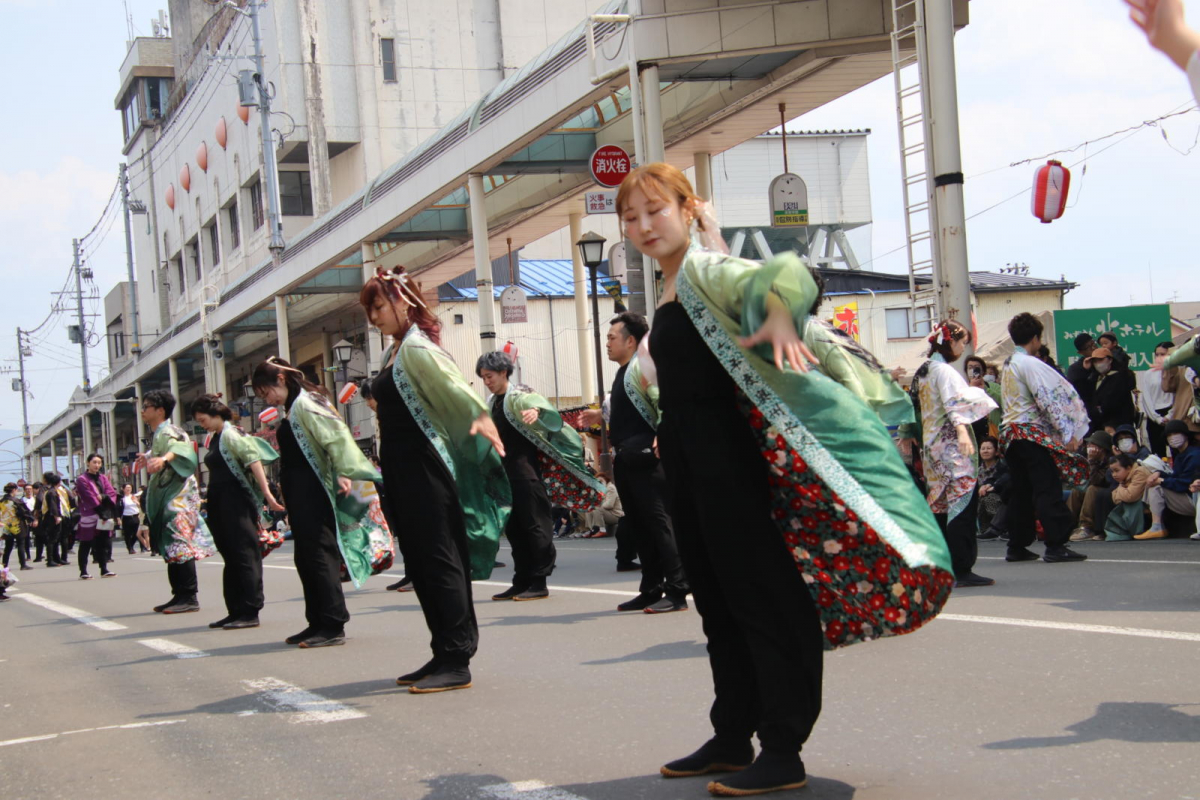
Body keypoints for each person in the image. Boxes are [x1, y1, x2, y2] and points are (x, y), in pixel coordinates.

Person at [618, 163, 952, 796]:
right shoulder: (670, 288)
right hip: (688, 462)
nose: (642, 226)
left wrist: (778, 309)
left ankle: (783, 745)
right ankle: (731, 734)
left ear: (689, 210)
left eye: (655, 210)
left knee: (759, 597)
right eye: (630, 217)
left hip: (731, 462)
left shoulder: (707, 270)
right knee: (716, 602)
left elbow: (792, 272)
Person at [361, 265, 510, 693]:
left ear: (403, 300)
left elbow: (456, 391)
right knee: (423, 564)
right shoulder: (397, 350)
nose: (374, 316)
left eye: (378, 305)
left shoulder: (417, 349)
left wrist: (480, 420)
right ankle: (443, 649)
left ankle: (457, 655)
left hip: (425, 467)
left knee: (440, 557)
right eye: (369, 309)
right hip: (405, 469)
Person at [253, 358, 386, 649]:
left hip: (315, 489)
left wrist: (343, 471)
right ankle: (316, 620)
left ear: (281, 379)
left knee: (319, 553)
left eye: (267, 392)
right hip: (301, 491)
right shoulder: (293, 407)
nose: (268, 399)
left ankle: (332, 622)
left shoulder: (306, 403)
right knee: (306, 556)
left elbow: (336, 436)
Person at [579, 311, 690, 613]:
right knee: (641, 526)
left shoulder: (643, 366)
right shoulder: (624, 372)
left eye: (612, 337)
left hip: (648, 460)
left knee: (659, 523)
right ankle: (651, 588)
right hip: (627, 459)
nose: (607, 343)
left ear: (630, 340)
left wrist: (663, 435)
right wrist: (599, 416)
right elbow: (629, 412)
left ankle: (678, 590)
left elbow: (663, 400)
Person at [477, 350, 603, 602]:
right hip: (505, 474)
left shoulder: (522, 396)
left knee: (535, 526)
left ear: (504, 373)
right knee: (514, 529)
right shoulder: (492, 402)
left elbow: (549, 415)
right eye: (483, 377)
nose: (486, 381)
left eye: (489, 375)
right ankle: (521, 580)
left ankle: (539, 581)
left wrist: (537, 412)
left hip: (527, 473)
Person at [908, 320, 997, 588]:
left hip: (932, 448)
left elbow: (913, 405)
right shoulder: (943, 371)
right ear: (949, 342)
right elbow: (954, 403)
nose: (962, 347)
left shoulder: (923, 371)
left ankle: (940, 566)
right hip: (951, 450)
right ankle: (961, 566)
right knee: (961, 505)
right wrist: (961, 431)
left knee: (940, 507)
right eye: (960, 342)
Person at [999, 312, 1090, 563]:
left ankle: (1017, 544)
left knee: (1021, 490)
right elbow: (1048, 398)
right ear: (1036, 338)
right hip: (1029, 433)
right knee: (1046, 487)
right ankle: (1056, 544)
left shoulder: (1008, 364)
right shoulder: (1030, 363)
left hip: (1011, 435)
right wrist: (1067, 431)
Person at [192, 394, 283, 630]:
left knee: (244, 554)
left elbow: (253, 460)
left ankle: (250, 609)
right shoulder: (215, 438)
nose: (202, 425)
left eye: (203, 420)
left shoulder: (232, 434)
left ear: (215, 415)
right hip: (219, 502)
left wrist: (268, 495)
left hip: (236, 501)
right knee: (230, 555)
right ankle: (234, 610)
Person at [135, 390, 216, 614]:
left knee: (179, 544)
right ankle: (179, 595)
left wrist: (162, 458)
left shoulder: (169, 430)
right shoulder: (162, 431)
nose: (143, 411)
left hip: (178, 497)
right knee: (172, 544)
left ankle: (189, 596)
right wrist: (151, 456)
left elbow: (179, 448)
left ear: (160, 410)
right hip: (171, 496)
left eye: (146, 406)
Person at [1135, 420, 1200, 539]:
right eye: (1169, 435)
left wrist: (1162, 480)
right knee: (1154, 483)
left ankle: (1156, 526)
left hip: (1194, 499)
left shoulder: (1194, 455)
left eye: (1176, 433)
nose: (1172, 438)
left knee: (1156, 487)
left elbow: (1184, 483)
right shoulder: (1181, 454)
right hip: (1190, 498)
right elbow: (1176, 476)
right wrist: (1159, 473)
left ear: (1185, 435)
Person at [74, 454, 119, 580]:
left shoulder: (103, 478)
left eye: (99, 462)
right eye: (94, 462)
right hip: (90, 513)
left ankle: (104, 569)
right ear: (88, 463)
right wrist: (99, 506)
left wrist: (104, 497)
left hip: (105, 513)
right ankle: (83, 571)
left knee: (103, 542)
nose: (97, 465)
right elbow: (88, 496)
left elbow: (111, 492)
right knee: (86, 543)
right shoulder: (82, 479)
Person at [1070, 431, 1117, 542]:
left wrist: (1092, 461)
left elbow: (1096, 481)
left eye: (1093, 445)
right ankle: (1067, 523)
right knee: (1077, 490)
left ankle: (1086, 526)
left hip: (1108, 490)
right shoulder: (1087, 458)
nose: (1090, 447)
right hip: (1094, 487)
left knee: (1092, 489)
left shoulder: (1109, 461)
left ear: (1102, 448)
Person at [1085, 346, 1137, 433]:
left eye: (1101, 360)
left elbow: (1113, 402)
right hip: (1099, 425)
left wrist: (1108, 422)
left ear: (1110, 360)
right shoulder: (1095, 378)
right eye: (1095, 361)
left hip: (1117, 424)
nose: (1098, 364)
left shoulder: (1120, 377)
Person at [1139, 342, 1179, 456]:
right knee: (1158, 453)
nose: (1159, 357)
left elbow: (1178, 396)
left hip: (1172, 413)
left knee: (1176, 449)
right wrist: (1157, 418)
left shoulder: (1176, 371)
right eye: (1157, 354)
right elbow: (1146, 398)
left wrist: (1170, 415)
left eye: (1163, 354)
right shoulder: (1149, 374)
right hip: (1154, 415)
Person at [1103, 455, 1153, 541]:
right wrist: (1122, 488)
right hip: (1138, 503)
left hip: (1149, 506)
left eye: (1117, 471)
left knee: (1130, 503)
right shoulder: (1123, 479)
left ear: (1129, 468)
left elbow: (1130, 496)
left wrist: (1121, 487)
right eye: (1112, 472)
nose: (1114, 475)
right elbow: (1115, 499)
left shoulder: (1139, 472)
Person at [976, 437, 1010, 541]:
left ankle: (1002, 527)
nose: (985, 451)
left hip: (1000, 498)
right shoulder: (977, 470)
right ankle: (986, 529)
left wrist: (990, 488)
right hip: (982, 500)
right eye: (983, 448)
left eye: (989, 448)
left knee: (989, 497)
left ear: (996, 452)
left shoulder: (1002, 467)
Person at [38, 472, 69, 567]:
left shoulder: (50, 491)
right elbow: (53, 506)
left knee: (55, 539)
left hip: (50, 517)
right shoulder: (52, 492)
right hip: (51, 518)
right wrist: (57, 516)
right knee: (52, 539)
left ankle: (56, 558)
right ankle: (50, 560)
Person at [1066, 333, 1097, 422]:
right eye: (1089, 347)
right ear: (1080, 352)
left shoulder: (1107, 360)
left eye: (1094, 343)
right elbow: (1075, 391)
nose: (1094, 348)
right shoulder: (1076, 369)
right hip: (1089, 415)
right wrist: (1086, 370)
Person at [1, 483, 29, 571]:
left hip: (6, 526)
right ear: (14, 490)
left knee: (8, 546)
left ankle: (5, 565)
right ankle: (23, 564)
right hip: (17, 525)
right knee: (20, 544)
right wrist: (31, 519)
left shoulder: (2, 501)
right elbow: (24, 512)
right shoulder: (16, 501)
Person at [120, 484, 145, 554]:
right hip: (126, 517)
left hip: (135, 516)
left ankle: (134, 545)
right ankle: (130, 548)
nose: (128, 489)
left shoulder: (134, 496)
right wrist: (118, 518)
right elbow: (119, 508)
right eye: (127, 487)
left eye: (130, 487)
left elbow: (140, 505)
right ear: (123, 489)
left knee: (137, 533)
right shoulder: (122, 498)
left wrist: (136, 502)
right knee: (127, 534)